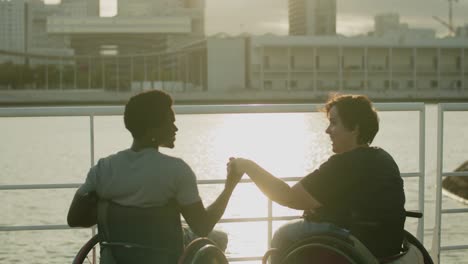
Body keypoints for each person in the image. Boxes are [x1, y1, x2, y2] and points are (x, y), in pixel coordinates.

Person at [67, 90, 241, 263]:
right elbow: (202, 226)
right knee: (219, 238)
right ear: (153, 127)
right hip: (163, 257)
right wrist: (229, 186)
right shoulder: (177, 171)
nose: (175, 128)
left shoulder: (103, 169)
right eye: (170, 122)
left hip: (118, 256)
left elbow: (74, 218)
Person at [228, 94, 406, 261]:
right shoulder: (382, 158)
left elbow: (289, 197)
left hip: (359, 245)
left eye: (334, 123)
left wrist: (248, 166)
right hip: (387, 246)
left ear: (354, 128)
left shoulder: (345, 164)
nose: (327, 130)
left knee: (283, 234)